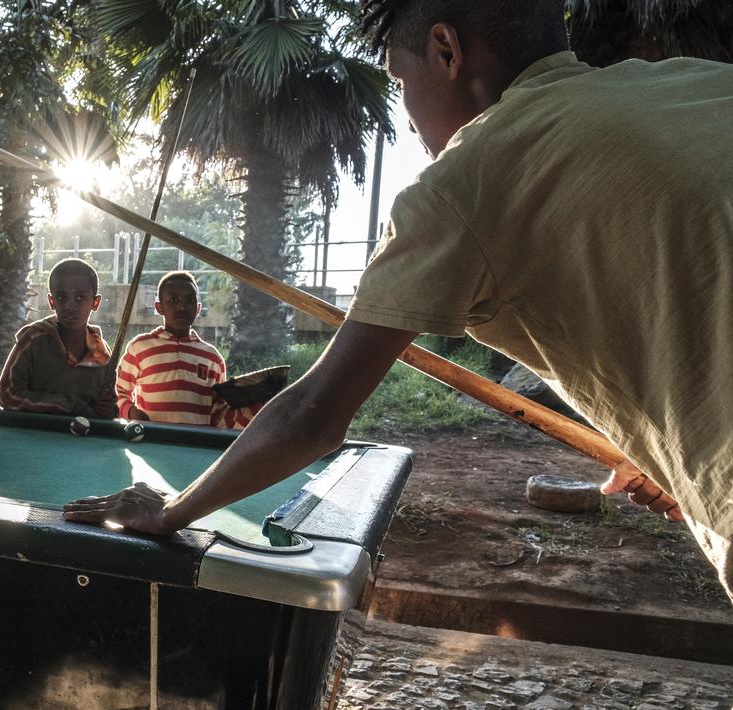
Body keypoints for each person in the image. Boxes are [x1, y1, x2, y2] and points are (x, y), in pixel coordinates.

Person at [64, 0, 733, 602]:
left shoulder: (464, 178)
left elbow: (312, 413)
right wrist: (654, 444)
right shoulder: (697, 83)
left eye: (398, 80)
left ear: (445, 50)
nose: (406, 113)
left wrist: (171, 511)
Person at [116, 271, 256, 428]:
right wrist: (132, 412)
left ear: (198, 308)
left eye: (190, 300)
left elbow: (218, 411)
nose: (182, 306)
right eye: (173, 300)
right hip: (150, 442)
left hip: (197, 446)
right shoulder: (139, 348)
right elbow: (118, 392)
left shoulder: (212, 358)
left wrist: (251, 407)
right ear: (159, 307)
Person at [0, 258, 118, 418]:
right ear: (51, 301)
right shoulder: (33, 339)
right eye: (61, 298)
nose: (70, 306)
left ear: (95, 303)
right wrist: (68, 405)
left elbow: (107, 410)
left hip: (80, 441)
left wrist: (109, 410)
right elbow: (7, 394)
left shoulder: (101, 354)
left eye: (80, 298)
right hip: (32, 437)